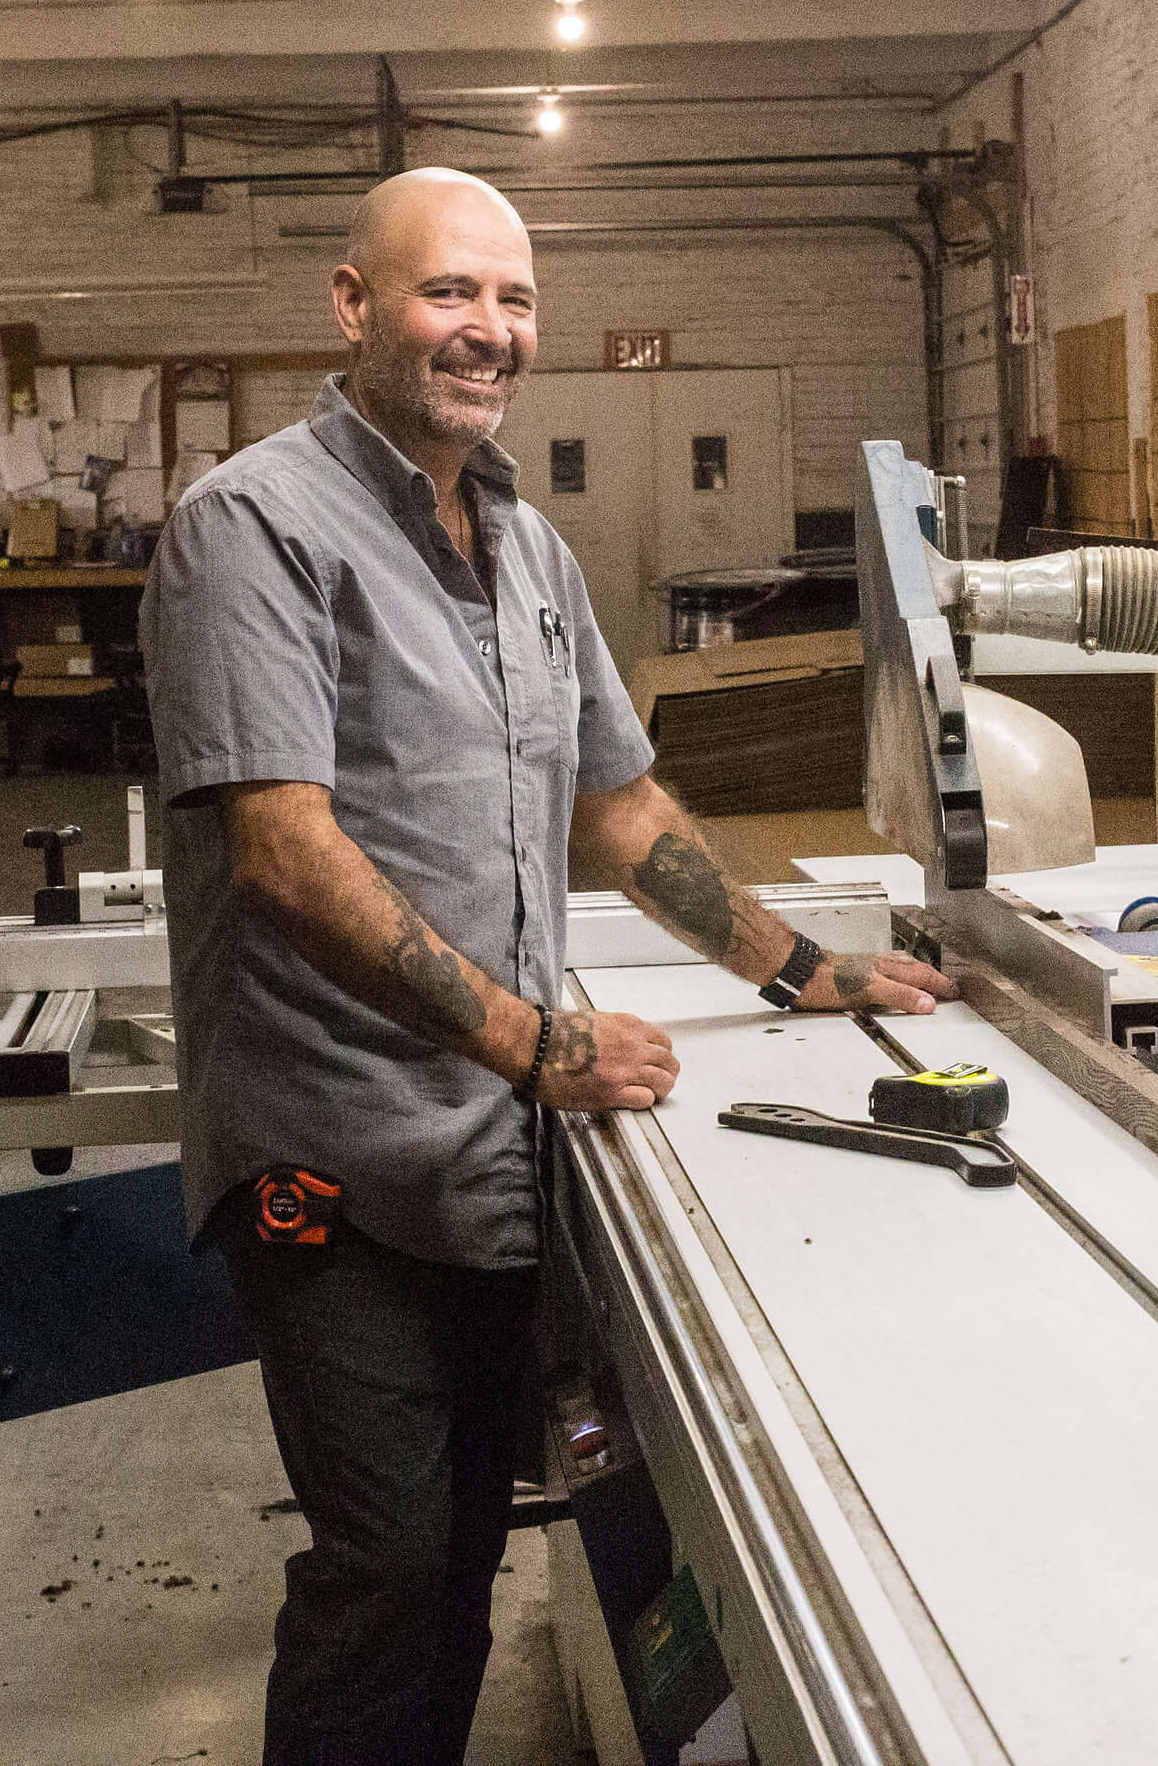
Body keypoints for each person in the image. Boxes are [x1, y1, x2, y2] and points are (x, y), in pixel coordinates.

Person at [140, 166, 954, 1766]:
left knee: (452, 1554)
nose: (489, 332)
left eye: (513, 300)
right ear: (353, 303)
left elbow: (622, 807)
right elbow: (285, 852)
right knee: (380, 1569)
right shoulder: (252, 529)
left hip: (491, 1159)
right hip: (336, 1156)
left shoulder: (526, 547)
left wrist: (807, 971)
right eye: (450, 293)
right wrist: (538, 1046)